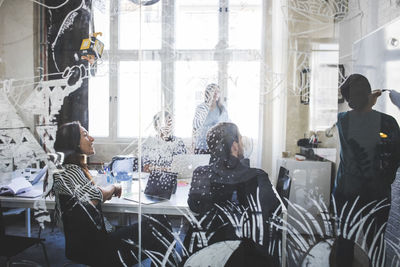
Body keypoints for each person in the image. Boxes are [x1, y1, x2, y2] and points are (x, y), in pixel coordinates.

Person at [50, 121, 172, 266]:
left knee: (159, 229)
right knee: (162, 228)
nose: (92, 138)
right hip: (98, 248)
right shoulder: (71, 171)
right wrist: (113, 187)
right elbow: (96, 197)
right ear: (74, 143)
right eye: (85, 135)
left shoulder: (66, 170)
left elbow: (89, 198)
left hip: (87, 245)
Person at [186, 122, 280, 265]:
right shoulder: (257, 176)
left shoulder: (201, 173)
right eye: (240, 139)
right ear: (234, 146)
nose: (243, 142)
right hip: (249, 256)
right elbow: (275, 208)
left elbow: (195, 206)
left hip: (208, 254)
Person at [333, 74, 400, 266]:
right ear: (368, 93)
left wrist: (368, 101)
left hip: (346, 195)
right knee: (375, 244)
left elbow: (359, 111)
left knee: (345, 242)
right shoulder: (388, 123)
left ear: (348, 100)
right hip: (376, 195)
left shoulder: (342, 120)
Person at [192, 83, 229, 154]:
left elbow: (226, 128)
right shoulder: (201, 108)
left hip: (217, 146)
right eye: (213, 91)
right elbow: (195, 128)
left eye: (217, 92)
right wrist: (193, 145)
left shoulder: (222, 109)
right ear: (207, 93)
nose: (215, 94)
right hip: (201, 145)